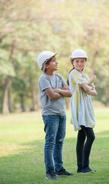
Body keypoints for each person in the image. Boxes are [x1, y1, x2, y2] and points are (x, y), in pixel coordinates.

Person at [37, 50, 72, 180]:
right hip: (50, 115)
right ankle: (50, 172)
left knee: (59, 141)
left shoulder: (59, 77)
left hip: (61, 114)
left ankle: (59, 169)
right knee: (50, 143)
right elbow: (51, 96)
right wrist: (61, 92)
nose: (56, 62)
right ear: (46, 65)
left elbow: (70, 93)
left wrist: (58, 90)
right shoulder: (43, 79)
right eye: (53, 61)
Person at [68, 49, 97, 173]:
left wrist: (87, 85)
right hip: (80, 109)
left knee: (81, 138)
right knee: (91, 136)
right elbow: (86, 88)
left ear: (85, 62)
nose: (79, 63)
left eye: (82, 61)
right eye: (77, 61)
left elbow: (94, 92)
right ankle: (85, 166)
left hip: (86, 108)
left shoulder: (84, 75)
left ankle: (81, 167)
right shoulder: (74, 73)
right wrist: (90, 82)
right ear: (73, 63)